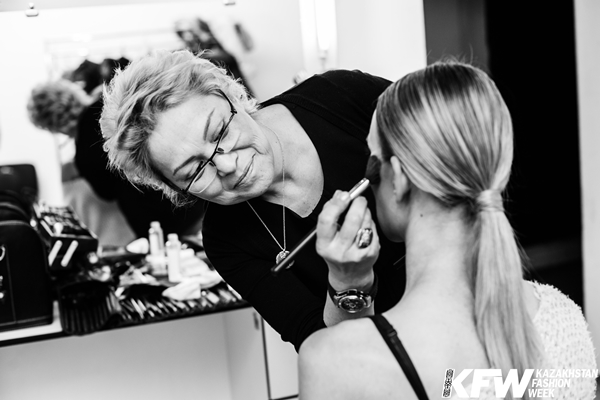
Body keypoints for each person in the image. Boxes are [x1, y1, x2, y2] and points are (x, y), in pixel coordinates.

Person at [299, 61, 598, 400]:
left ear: (398, 178)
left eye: (372, 157)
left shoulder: (331, 362)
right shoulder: (562, 318)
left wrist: (347, 285)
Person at [100, 49, 406, 350]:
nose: (227, 165)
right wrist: (349, 283)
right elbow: (326, 352)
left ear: (231, 97)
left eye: (220, 131)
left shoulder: (339, 96)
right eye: (195, 171)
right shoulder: (226, 242)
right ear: (178, 189)